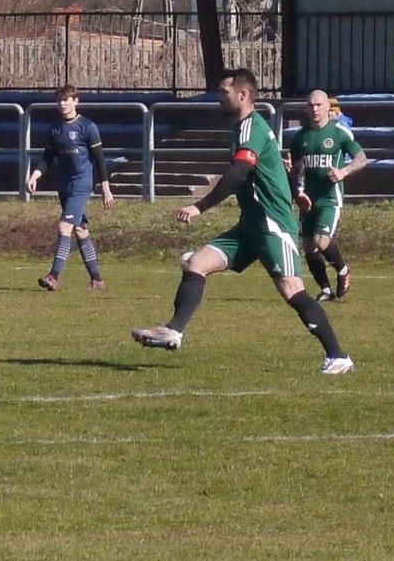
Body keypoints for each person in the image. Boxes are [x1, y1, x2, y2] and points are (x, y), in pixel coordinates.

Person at [131, 68, 354, 376]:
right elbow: (273, 167)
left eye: (223, 93)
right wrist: (295, 191)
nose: (218, 99)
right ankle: (174, 331)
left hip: (272, 224)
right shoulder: (243, 128)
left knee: (292, 289)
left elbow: (238, 174)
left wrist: (200, 206)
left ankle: (338, 355)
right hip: (251, 223)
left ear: (243, 95)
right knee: (197, 263)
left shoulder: (251, 127)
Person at [26, 84, 115, 291]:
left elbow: (99, 159)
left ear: (76, 101)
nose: (62, 104)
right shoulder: (55, 129)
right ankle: (97, 279)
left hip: (81, 185)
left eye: (66, 100)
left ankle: (53, 276)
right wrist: (35, 175)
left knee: (63, 227)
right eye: (59, 100)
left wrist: (105, 187)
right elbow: (47, 157)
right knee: (80, 230)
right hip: (64, 185)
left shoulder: (88, 127)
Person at [286, 89, 368, 302]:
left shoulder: (339, 133)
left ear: (327, 107)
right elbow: (296, 168)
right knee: (309, 246)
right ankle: (325, 289)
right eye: (310, 105)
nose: (314, 109)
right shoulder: (300, 137)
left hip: (330, 197)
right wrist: (295, 190)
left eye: (319, 105)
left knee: (321, 240)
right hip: (308, 199)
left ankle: (343, 271)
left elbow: (361, 158)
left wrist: (343, 171)